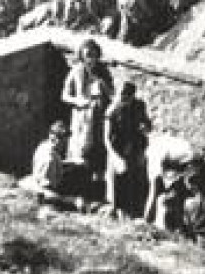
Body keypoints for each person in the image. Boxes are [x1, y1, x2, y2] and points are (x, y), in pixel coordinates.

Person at [62, 39, 113, 187]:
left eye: (93, 55)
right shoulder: (76, 71)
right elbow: (64, 95)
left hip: (98, 116)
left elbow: (112, 94)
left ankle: (97, 186)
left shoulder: (103, 71)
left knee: (98, 149)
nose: (90, 59)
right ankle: (78, 183)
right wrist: (77, 101)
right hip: (82, 118)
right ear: (82, 56)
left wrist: (104, 85)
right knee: (81, 150)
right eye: (87, 55)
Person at [104, 81, 152, 218]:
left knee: (136, 180)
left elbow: (147, 124)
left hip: (135, 147)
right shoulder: (111, 111)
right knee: (117, 179)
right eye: (121, 96)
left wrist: (146, 128)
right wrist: (115, 157)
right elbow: (106, 139)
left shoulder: (139, 106)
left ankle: (134, 211)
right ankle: (115, 210)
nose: (123, 99)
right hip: (116, 148)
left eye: (127, 97)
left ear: (132, 96)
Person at [21, 121, 72, 197]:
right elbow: (45, 188)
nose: (65, 143)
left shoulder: (44, 145)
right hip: (48, 189)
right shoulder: (49, 159)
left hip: (44, 180)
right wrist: (70, 200)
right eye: (64, 140)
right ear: (56, 139)